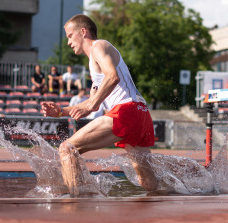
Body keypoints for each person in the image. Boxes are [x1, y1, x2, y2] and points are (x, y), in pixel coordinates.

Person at [42, 14, 155, 196]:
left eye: (70, 36)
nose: (68, 42)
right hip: (139, 113)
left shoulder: (99, 46)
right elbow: (92, 105)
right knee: (148, 182)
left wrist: (91, 104)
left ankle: (75, 203)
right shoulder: (94, 61)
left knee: (67, 148)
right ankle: (187, 188)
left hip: (126, 111)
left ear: (83, 32)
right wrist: (61, 111)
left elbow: (112, 77)